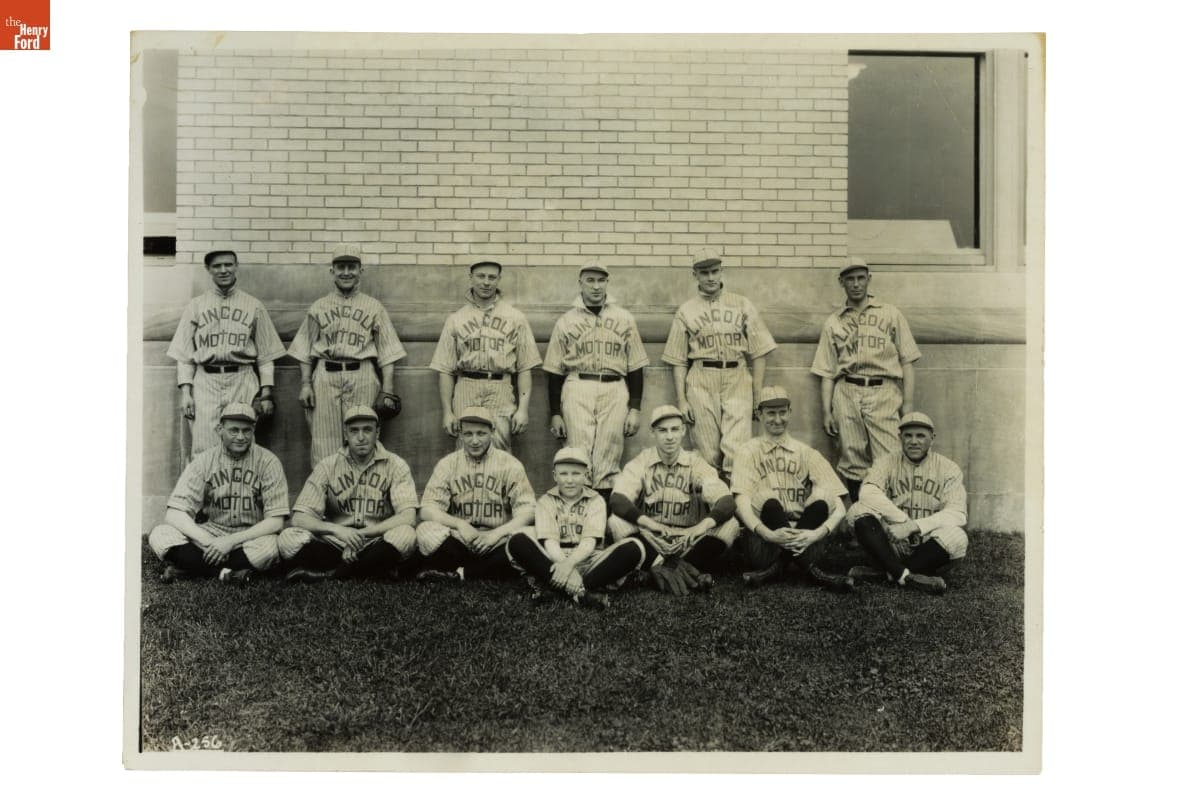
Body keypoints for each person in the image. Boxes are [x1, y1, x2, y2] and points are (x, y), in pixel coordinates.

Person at [811, 256, 921, 501]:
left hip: (883, 389)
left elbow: (908, 361)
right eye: (850, 279)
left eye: (861, 278)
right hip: (847, 390)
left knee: (890, 454)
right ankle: (862, 521)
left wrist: (909, 404)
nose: (856, 284)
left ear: (869, 280)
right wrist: (827, 411)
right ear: (842, 282)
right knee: (852, 456)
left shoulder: (890, 314)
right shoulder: (834, 321)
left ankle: (890, 519)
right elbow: (827, 372)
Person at [662, 248, 777, 479]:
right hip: (701, 377)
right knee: (707, 451)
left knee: (738, 450)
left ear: (722, 271)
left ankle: (735, 510)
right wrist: (682, 399)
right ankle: (713, 508)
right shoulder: (686, 310)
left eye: (715, 271)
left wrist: (757, 394)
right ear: (695, 275)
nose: (711, 277)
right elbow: (678, 359)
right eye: (704, 273)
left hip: (736, 374)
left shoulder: (742, 304)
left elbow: (760, 351)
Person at [288, 251, 406, 468]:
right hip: (325, 375)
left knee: (363, 440)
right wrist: (305, 384)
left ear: (360, 271)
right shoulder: (318, 306)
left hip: (362, 373)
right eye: (340, 267)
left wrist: (388, 390)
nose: (346, 272)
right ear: (332, 271)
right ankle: (327, 498)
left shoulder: (374, 307)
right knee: (324, 442)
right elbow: (304, 349)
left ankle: (363, 495)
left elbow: (388, 352)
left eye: (351, 267)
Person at [544, 259, 649, 501]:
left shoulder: (624, 318)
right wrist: (554, 412)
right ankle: (579, 519)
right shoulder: (566, 321)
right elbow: (554, 371)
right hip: (577, 385)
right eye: (590, 280)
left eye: (601, 280)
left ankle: (603, 521)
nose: (596, 286)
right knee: (578, 452)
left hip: (614, 386)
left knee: (609, 455)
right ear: (580, 283)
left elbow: (635, 366)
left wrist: (635, 407)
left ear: (607, 283)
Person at [277, 406, 421, 582]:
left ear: (377, 433)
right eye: (354, 431)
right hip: (337, 541)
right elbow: (299, 518)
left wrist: (362, 535)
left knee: (406, 534)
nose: (360, 437)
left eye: (367, 430)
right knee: (288, 538)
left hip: (375, 540)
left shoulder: (396, 465)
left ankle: (333, 574)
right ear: (346, 435)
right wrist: (337, 530)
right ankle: (371, 570)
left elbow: (408, 517)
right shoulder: (327, 465)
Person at [608, 405, 740, 596]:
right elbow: (617, 500)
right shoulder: (642, 461)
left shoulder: (695, 462)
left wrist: (700, 527)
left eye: (674, 429)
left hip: (688, 539)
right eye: (662, 430)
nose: (669, 436)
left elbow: (727, 502)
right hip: (652, 538)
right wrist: (649, 524)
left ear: (683, 431)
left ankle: (657, 570)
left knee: (731, 525)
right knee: (616, 521)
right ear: (653, 432)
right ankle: (680, 569)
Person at [730, 386, 854, 592]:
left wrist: (816, 535)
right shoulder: (747, 451)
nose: (777, 419)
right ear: (759, 415)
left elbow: (839, 506)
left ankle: (776, 570)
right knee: (766, 498)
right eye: (770, 413)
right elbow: (740, 503)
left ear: (789, 412)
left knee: (823, 497)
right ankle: (815, 574)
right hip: (766, 543)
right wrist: (769, 535)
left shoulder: (806, 453)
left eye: (782, 412)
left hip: (805, 540)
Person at [148, 403, 288, 583]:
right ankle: (226, 574)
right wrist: (208, 542)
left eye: (246, 431)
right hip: (211, 533)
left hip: (249, 536)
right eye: (233, 430)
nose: (240, 437)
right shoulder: (204, 461)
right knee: (161, 534)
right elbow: (174, 512)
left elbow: (276, 521)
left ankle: (191, 568)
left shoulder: (269, 462)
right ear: (219, 429)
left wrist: (230, 542)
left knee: (271, 548)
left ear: (253, 430)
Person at [168, 249, 286, 458]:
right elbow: (185, 356)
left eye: (228, 265)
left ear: (236, 266)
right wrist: (186, 393)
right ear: (208, 270)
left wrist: (266, 393)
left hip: (242, 378)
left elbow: (266, 356)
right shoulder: (196, 306)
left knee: (241, 442)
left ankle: (240, 491)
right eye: (217, 266)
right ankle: (209, 491)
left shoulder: (253, 305)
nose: (223, 270)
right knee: (204, 446)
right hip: (206, 380)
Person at [505, 447, 646, 609]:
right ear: (554, 476)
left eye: (576, 473)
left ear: (586, 475)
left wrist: (568, 566)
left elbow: (589, 542)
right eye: (564, 474)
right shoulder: (546, 501)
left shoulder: (596, 500)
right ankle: (583, 594)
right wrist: (565, 567)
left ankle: (556, 589)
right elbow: (550, 543)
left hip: (589, 560)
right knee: (517, 539)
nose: (569, 480)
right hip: (553, 559)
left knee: (635, 548)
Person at [847, 412, 968, 595]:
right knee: (857, 510)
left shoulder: (948, 468)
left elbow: (957, 513)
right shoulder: (886, 462)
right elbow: (867, 492)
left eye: (920, 436)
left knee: (957, 536)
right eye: (908, 435)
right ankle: (906, 576)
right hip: (894, 540)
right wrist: (902, 521)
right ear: (900, 438)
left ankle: (887, 573)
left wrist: (914, 526)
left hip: (929, 543)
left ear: (932, 439)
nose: (914, 441)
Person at [430, 258, 541, 451]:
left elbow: (525, 368)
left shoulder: (516, 318)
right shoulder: (456, 319)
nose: (486, 282)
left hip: (500, 386)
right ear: (471, 278)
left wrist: (523, 409)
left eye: (492, 277)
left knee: (499, 447)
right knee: (465, 447)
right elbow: (445, 369)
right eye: (481, 276)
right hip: (466, 385)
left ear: (499, 280)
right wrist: (447, 412)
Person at [415, 406, 537, 581]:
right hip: (461, 538)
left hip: (497, 539)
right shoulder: (448, 464)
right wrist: (459, 524)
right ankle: (489, 569)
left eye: (481, 433)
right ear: (461, 434)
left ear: (492, 431)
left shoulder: (510, 464)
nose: (474, 441)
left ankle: (462, 573)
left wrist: (496, 534)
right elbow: (427, 509)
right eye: (468, 434)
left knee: (530, 535)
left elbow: (528, 511)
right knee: (425, 530)